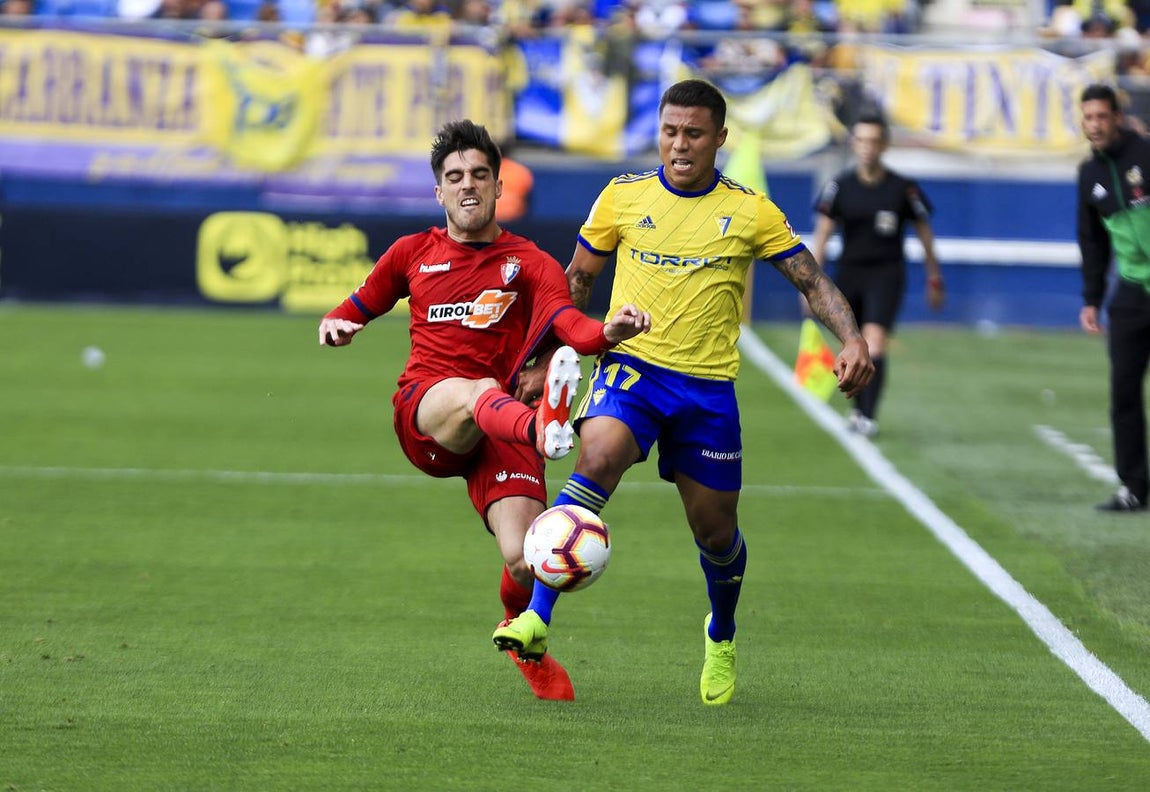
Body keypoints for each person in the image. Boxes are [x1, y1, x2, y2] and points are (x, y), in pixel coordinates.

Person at [492, 79, 874, 706]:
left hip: (707, 392)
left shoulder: (750, 211)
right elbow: (576, 283)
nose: (679, 144)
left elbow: (811, 283)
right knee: (596, 459)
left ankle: (721, 633)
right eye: (670, 131)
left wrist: (852, 338)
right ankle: (537, 616)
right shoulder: (622, 197)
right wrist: (544, 356)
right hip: (633, 374)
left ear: (720, 138)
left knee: (715, 533)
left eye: (694, 133)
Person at [318, 119, 652, 700]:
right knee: (476, 391)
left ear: (500, 186)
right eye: (454, 177)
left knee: (529, 559)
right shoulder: (411, 253)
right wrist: (336, 324)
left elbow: (567, 323)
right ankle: (544, 423)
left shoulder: (529, 262)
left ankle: (519, 634)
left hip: (503, 425)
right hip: (431, 414)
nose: (467, 185)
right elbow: (357, 304)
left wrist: (607, 332)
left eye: (479, 174)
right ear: (438, 192)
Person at [809, 112, 944, 438]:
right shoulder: (840, 186)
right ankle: (857, 410)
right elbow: (823, 234)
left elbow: (925, 233)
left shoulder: (903, 189)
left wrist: (934, 277)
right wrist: (812, 284)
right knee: (852, 346)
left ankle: (868, 416)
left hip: (886, 275)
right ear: (854, 143)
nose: (867, 147)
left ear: (884, 144)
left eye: (874, 140)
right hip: (849, 274)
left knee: (875, 342)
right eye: (861, 140)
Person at [1076, 83, 1150, 513]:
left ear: (1117, 118)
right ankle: (1133, 487)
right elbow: (1092, 243)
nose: (1095, 125)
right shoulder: (1089, 175)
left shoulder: (1145, 155)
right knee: (1123, 393)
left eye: (1102, 116)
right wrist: (1091, 298)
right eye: (1088, 118)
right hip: (1129, 297)